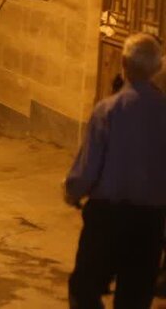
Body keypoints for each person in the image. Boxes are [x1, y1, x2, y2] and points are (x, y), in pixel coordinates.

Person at [65, 33, 166, 308]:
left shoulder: (108, 110)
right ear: (157, 68)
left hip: (107, 218)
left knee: (83, 288)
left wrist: (73, 191)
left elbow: (88, 167)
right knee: (135, 297)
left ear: (124, 63)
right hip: (149, 222)